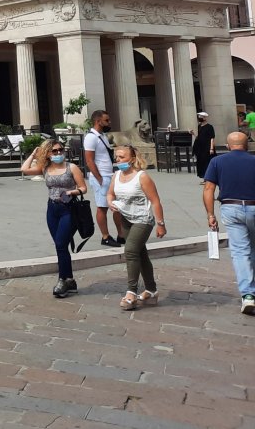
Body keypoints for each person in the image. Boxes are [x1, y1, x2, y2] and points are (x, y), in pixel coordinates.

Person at [21, 138, 88, 298]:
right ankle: (70, 280)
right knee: (61, 246)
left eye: (60, 150)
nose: (58, 153)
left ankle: (62, 280)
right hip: (52, 208)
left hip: (69, 208)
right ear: (48, 154)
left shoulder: (71, 168)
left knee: (60, 244)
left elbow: (83, 188)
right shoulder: (45, 168)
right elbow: (24, 169)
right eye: (54, 151)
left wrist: (72, 192)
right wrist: (33, 154)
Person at [107, 145, 166, 310]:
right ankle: (151, 290)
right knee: (141, 253)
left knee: (131, 251)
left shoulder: (142, 177)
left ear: (132, 159)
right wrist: (110, 202)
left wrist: (161, 224)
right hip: (125, 218)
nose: (118, 160)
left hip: (143, 219)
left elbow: (155, 200)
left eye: (122, 157)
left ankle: (131, 292)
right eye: (116, 157)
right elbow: (110, 193)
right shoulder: (116, 175)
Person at [203, 130, 255, 315]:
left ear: (227, 146)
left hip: (230, 207)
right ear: (247, 145)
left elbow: (208, 189)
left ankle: (248, 295)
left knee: (240, 252)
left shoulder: (217, 161)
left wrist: (210, 214)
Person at [83, 109, 124, 247]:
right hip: (101, 176)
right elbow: (89, 160)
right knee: (102, 207)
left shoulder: (102, 136)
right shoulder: (91, 137)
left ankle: (121, 234)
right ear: (97, 121)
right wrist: (99, 177)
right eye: (106, 120)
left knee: (117, 206)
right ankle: (105, 236)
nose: (109, 123)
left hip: (110, 175)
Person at [193, 111, 216, 180]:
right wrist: (193, 133)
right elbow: (199, 137)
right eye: (199, 117)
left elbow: (212, 138)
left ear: (205, 118)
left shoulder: (210, 127)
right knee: (201, 162)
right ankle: (204, 177)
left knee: (207, 162)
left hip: (207, 146)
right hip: (200, 147)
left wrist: (211, 148)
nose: (199, 118)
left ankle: (208, 178)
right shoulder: (199, 126)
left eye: (201, 117)